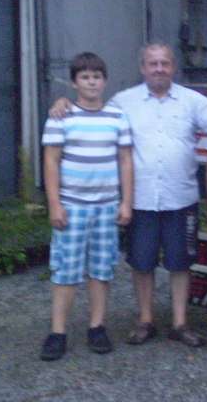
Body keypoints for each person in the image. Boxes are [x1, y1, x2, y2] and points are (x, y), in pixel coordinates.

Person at [49, 43, 207, 348]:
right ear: (142, 68)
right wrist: (63, 103)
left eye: (165, 63)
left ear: (173, 67)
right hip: (141, 200)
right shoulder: (123, 102)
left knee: (180, 263)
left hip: (181, 198)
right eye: (153, 63)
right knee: (142, 262)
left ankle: (180, 323)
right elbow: (91, 107)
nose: (159, 68)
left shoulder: (194, 102)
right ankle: (145, 321)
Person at [40, 52, 134, 361]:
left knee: (101, 270)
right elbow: (51, 161)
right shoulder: (61, 117)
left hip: (107, 207)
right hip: (72, 206)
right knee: (65, 271)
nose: (91, 82)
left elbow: (125, 160)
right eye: (85, 77)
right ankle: (57, 332)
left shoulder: (117, 117)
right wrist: (54, 204)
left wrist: (126, 202)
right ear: (74, 83)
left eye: (97, 77)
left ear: (104, 81)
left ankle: (97, 327)